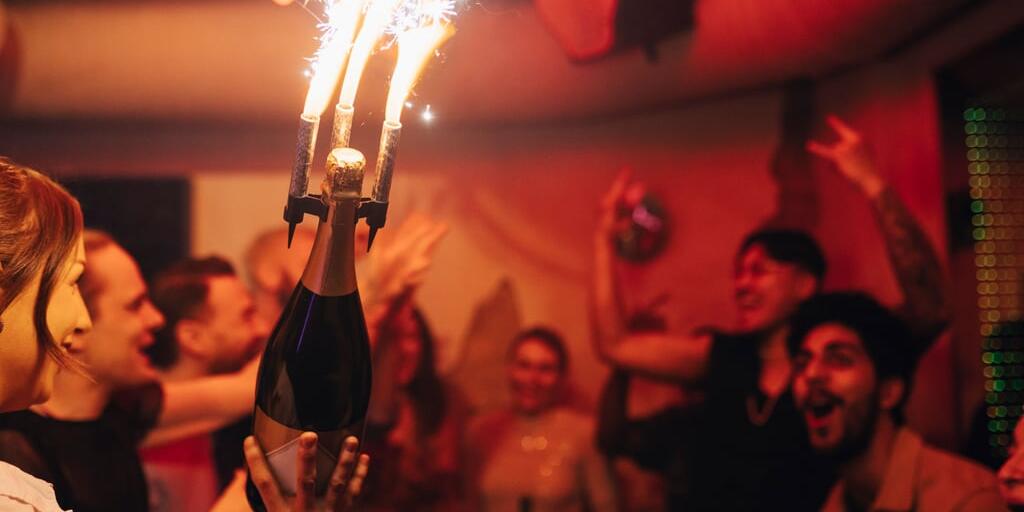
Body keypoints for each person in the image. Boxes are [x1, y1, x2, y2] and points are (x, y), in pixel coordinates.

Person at [590, 115, 950, 509]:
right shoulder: (725, 358)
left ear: (804, 284)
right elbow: (614, 345)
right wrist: (603, 236)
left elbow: (931, 308)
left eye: (759, 271)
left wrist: (871, 182)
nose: (742, 285)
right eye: (738, 274)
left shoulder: (841, 355)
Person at [0, 158, 368, 512]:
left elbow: (263, 385)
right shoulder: (17, 458)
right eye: (69, 283)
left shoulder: (118, 416)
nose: (156, 318)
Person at [789, 292, 1006, 512]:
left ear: (888, 392)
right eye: (801, 364)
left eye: (839, 360)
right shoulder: (832, 501)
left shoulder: (966, 500)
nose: (811, 374)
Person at [141, 256, 270, 512]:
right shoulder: (140, 415)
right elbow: (251, 386)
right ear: (193, 337)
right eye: (246, 316)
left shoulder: (224, 426)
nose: (262, 329)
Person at [466, 327, 617, 512]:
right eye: (524, 366)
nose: (532, 379)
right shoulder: (483, 431)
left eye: (545, 369)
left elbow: (607, 506)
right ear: (509, 370)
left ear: (562, 377)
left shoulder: (583, 434)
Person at [360, 303, 469, 511]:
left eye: (410, 337)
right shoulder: (353, 402)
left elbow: (450, 487)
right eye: (393, 338)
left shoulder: (444, 400)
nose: (402, 349)